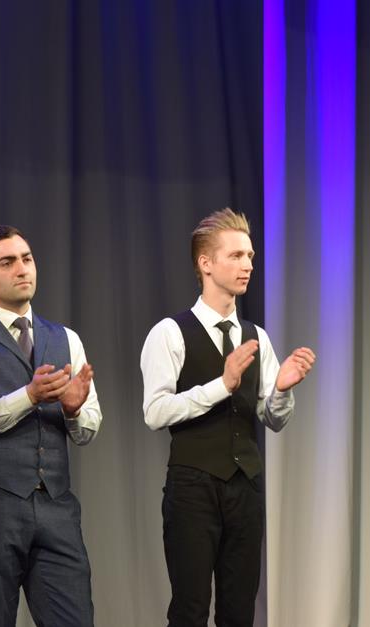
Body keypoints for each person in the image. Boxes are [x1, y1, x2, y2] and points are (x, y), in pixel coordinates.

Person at [141, 208, 315, 627]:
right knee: (190, 609)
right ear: (206, 263)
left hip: (245, 487)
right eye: (236, 255)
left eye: (250, 256)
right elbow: (155, 412)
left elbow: (273, 419)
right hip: (192, 487)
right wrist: (222, 384)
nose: (248, 265)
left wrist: (282, 390)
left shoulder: (257, 336)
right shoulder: (170, 332)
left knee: (239, 611)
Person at [0, 225, 102, 626]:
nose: (22, 269)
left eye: (27, 259)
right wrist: (29, 396)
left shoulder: (65, 338)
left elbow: (88, 428)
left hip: (56, 509)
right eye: (7, 262)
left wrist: (73, 411)